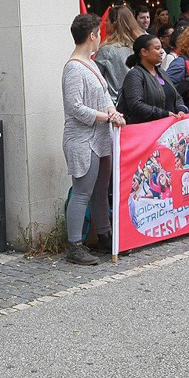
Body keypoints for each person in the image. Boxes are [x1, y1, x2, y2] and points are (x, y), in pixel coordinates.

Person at [62, 14, 125, 266]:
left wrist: (112, 111)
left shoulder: (90, 64)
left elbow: (105, 95)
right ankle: (74, 245)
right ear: (92, 36)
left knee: (100, 191)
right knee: (82, 192)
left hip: (98, 138)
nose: (101, 38)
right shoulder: (74, 68)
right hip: (82, 140)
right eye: (99, 33)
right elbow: (74, 106)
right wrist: (104, 117)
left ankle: (104, 235)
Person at [118, 34, 188, 124]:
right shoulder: (135, 75)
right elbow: (135, 105)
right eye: (157, 48)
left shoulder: (162, 72)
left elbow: (176, 96)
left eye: (161, 48)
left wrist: (181, 109)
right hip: (147, 130)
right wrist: (164, 114)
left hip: (168, 129)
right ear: (144, 52)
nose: (162, 51)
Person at [94, 5, 146, 103]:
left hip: (115, 106)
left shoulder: (107, 50)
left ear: (114, 23)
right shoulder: (141, 48)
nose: (105, 23)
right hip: (140, 103)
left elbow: (95, 79)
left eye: (107, 20)